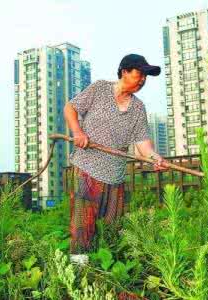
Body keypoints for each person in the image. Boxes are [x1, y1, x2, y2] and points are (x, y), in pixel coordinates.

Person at [63, 54, 168, 265]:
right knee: (83, 227)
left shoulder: (138, 108)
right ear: (124, 71)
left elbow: (143, 144)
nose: (142, 80)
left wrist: (155, 157)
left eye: (145, 77)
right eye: (139, 74)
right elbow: (70, 108)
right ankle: (78, 275)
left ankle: (106, 275)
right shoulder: (100, 89)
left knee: (112, 230)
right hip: (87, 171)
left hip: (115, 177)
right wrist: (78, 132)